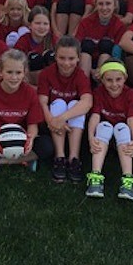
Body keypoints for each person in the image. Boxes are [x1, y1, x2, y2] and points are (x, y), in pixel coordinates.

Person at [0, 49, 47, 169]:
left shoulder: (30, 93)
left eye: (18, 73)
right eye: (9, 72)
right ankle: (24, 161)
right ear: (0, 72)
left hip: (21, 140)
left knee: (46, 146)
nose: (14, 77)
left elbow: (33, 124)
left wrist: (30, 139)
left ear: (24, 73)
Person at [38, 36, 93, 183]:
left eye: (71, 58)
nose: (66, 63)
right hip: (53, 114)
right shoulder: (46, 73)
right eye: (62, 58)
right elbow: (42, 102)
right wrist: (51, 120)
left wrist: (60, 119)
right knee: (58, 103)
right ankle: (60, 156)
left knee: (76, 103)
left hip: (71, 119)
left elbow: (87, 102)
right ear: (55, 56)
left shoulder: (80, 75)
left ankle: (74, 158)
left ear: (78, 59)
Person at [85, 61, 133, 201]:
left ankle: (128, 179)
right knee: (104, 126)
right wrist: (91, 137)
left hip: (123, 134)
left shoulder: (131, 94)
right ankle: (95, 176)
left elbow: (131, 119)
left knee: (123, 128)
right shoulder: (98, 92)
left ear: (125, 78)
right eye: (109, 80)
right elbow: (95, 116)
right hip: (104, 135)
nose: (114, 84)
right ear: (102, 79)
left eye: (118, 79)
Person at [74, 0, 127, 80]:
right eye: (101, 4)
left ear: (114, 5)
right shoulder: (86, 22)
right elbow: (76, 48)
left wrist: (102, 69)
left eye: (108, 4)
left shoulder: (119, 26)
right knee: (85, 53)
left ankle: (100, 87)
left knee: (105, 52)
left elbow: (116, 55)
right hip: (85, 65)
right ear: (96, 5)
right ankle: (84, 86)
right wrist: (90, 70)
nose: (104, 8)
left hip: (107, 65)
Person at [14, 6, 57, 85]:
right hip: (29, 81)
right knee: (34, 58)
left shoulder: (53, 40)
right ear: (30, 25)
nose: (41, 27)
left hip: (51, 82)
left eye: (45, 24)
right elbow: (16, 63)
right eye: (37, 23)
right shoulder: (24, 40)